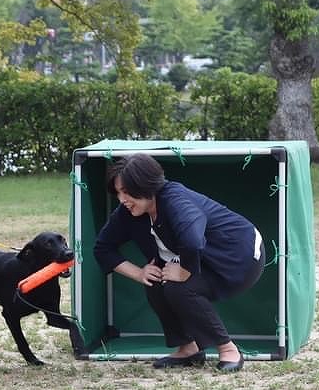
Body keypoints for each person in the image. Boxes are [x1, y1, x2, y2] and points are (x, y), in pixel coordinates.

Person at [93, 153, 265, 372]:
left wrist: (184, 271)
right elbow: (102, 248)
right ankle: (189, 348)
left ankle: (229, 350)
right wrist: (139, 273)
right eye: (118, 193)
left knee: (178, 288)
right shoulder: (128, 212)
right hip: (201, 257)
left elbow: (192, 241)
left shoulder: (175, 199)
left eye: (127, 192)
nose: (122, 199)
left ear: (147, 185)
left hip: (240, 256)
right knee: (155, 281)